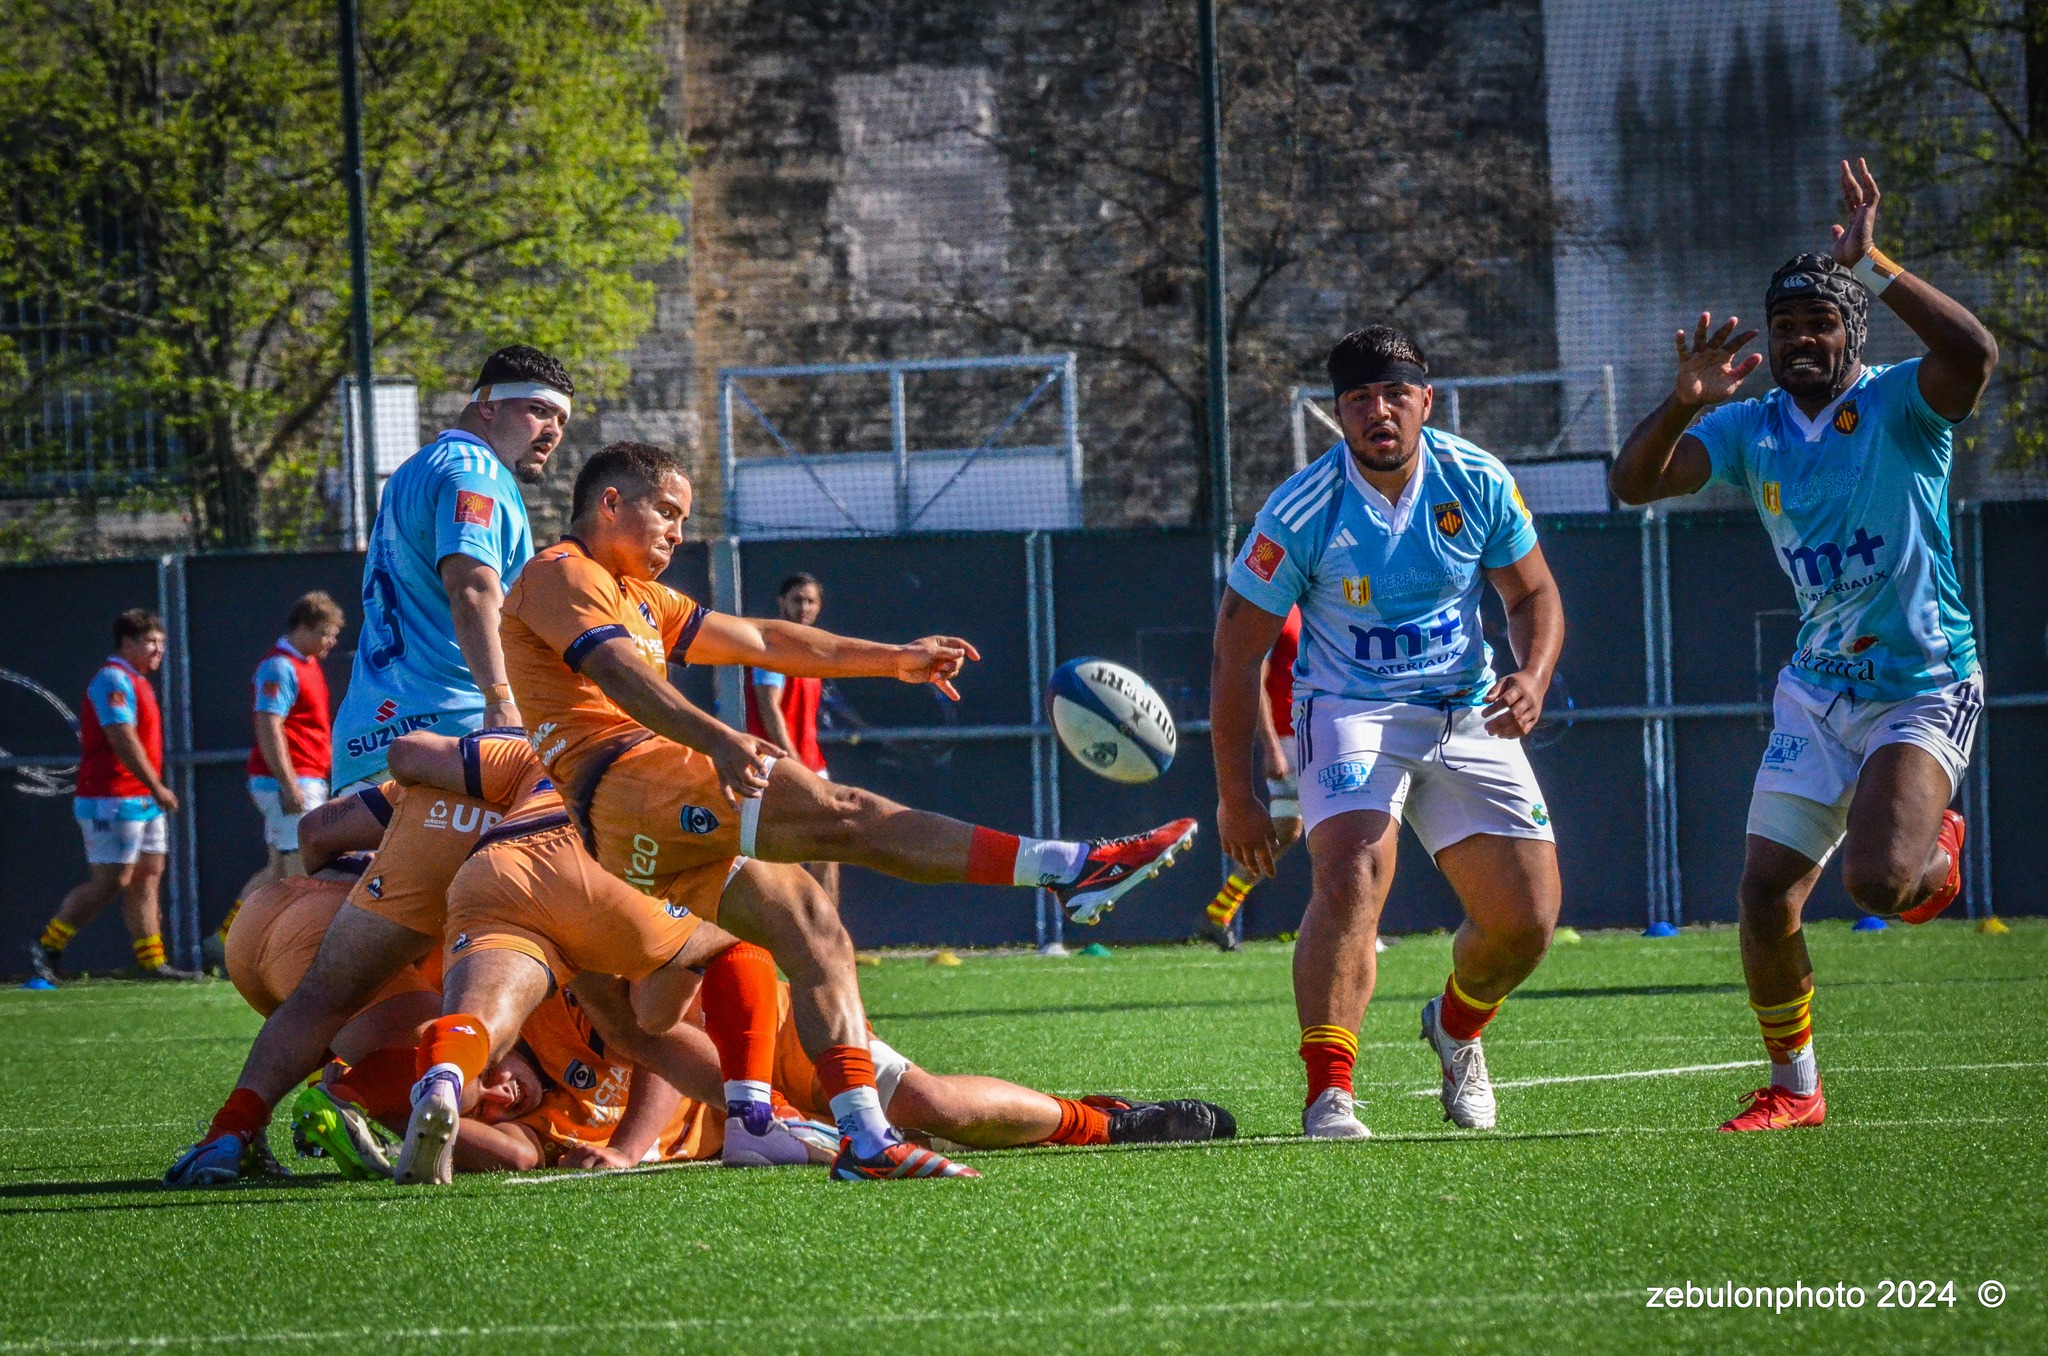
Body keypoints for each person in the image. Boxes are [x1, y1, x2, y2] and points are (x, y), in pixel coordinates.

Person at [495, 440, 1196, 1176]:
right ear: (610, 503)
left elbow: (765, 638)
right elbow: (616, 673)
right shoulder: (560, 572)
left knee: (814, 927)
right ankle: (1070, 869)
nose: (675, 532)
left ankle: (865, 1139)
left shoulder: (644, 597)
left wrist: (892, 658)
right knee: (848, 813)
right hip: (629, 782)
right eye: (666, 512)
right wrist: (721, 738)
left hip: (634, 825)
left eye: (682, 518)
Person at [1609, 159, 1997, 1133]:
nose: (1797, 339)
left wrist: (1870, 265)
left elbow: (1977, 353)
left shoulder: (1905, 403)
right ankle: (1795, 1091)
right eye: (1783, 327)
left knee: (1876, 882)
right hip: (1816, 693)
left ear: (1849, 330)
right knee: (1761, 892)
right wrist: (1683, 402)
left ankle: (1927, 855)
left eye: (1816, 323)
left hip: (1920, 684)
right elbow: (1632, 484)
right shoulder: (1749, 429)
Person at [1211, 325, 1566, 1139]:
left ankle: (1455, 1029)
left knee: (1527, 921)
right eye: (1360, 398)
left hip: (1466, 707)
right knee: (1352, 873)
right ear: (1340, 414)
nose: (1380, 411)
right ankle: (1329, 1091)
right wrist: (1239, 797)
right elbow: (1236, 658)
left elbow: (1532, 595)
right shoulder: (1300, 508)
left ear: (1425, 401)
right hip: (1349, 710)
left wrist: (1532, 675)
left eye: (1396, 394)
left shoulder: (1475, 478)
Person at [164, 728, 550, 1185]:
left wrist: (336, 898)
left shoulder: (438, 784)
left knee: (325, 1006)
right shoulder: (564, 798)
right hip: (332, 930)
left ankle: (231, 1133)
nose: (501, 1098)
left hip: (263, 920)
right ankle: (344, 1098)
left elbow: (314, 829)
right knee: (455, 1057)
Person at [432, 970, 1235, 1174]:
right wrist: (412, 1124)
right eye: (491, 1105)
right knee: (899, 1142)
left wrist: (630, 1150)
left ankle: (1105, 1120)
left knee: (928, 1104)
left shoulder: (550, 995)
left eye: (490, 1075)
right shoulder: (529, 1129)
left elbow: (660, 1038)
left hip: (770, 1038)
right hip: (757, 1130)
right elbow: (504, 1151)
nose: (505, 1094)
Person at [327, 345, 572, 793]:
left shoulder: (411, 471)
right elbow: (472, 589)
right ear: (488, 405)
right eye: (539, 410)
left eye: (561, 420)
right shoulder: (475, 474)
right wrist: (500, 699)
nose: (553, 431)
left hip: (368, 737)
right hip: (451, 733)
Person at [31, 609, 201, 982]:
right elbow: (121, 737)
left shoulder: (137, 680)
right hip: (110, 794)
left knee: (147, 876)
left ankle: (153, 962)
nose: (158, 650)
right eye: (149, 642)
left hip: (142, 797)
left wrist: (152, 789)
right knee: (113, 879)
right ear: (126, 643)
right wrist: (157, 785)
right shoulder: (112, 678)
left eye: (161, 642)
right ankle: (46, 947)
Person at [207, 592, 346, 972]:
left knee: (278, 867)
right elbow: (268, 725)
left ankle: (226, 942)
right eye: (324, 634)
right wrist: (288, 784)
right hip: (289, 779)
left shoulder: (307, 663)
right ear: (301, 628)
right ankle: (294, 951)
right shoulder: (279, 667)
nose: (330, 643)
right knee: (300, 866)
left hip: (304, 776)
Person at [1203, 605, 1304, 949]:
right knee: (1333, 828)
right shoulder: (1277, 608)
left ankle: (1219, 911)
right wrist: (1271, 745)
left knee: (1290, 829)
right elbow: (1255, 674)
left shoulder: (1318, 601)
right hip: (1290, 737)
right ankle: (1356, 923)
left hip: (1316, 731)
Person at [744, 572, 837, 902]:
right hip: (777, 766)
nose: (804, 607)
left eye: (810, 601)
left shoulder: (810, 650)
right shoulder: (775, 646)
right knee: (780, 859)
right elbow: (770, 707)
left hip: (812, 764)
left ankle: (831, 941)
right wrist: (793, 764)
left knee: (830, 851)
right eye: (797, 599)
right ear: (781, 603)